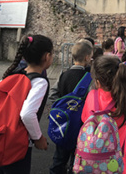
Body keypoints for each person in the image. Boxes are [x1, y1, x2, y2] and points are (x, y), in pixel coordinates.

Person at [0, 35, 53, 173]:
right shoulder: (40, 82)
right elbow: (27, 114)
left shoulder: (13, 75)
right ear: (47, 57)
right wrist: (38, 138)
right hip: (16, 146)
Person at [81, 56, 126, 174]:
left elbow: (84, 119)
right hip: (118, 162)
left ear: (97, 82)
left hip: (93, 163)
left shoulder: (92, 96)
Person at [50, 41, 93, 174]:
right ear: (86, 57)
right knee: (77, 160)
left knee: (59, 158)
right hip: (79, 125)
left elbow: (53, 94)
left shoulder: (64, 74)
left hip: (63, 124)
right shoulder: (89, 78)